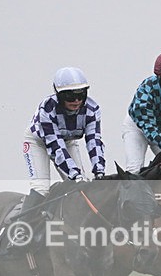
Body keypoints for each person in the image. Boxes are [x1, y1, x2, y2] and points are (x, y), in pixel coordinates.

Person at [22, 67, 106, 202]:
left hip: (67, 141)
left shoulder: (92, 110)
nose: (77, 100)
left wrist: (99, 171)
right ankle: (21, 223)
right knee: (41, 188)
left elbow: (94, 143)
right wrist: (75, 175)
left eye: (81, 94)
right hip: (38, 143)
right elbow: (56, 148)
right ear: (58, 94)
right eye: (70, 96)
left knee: (81, 189)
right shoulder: (47, 109)